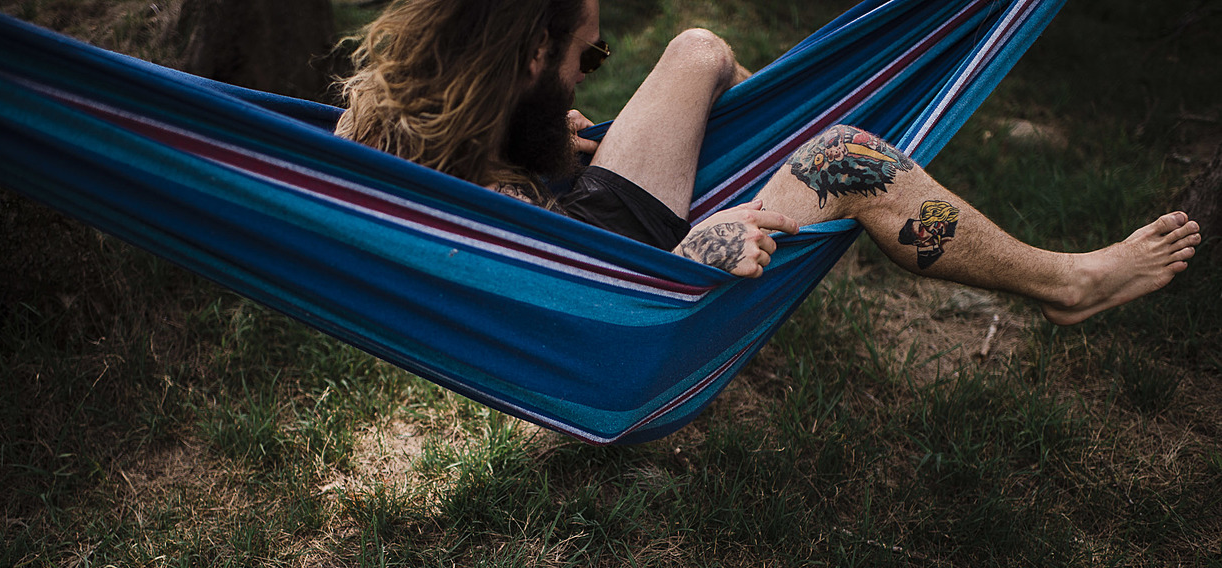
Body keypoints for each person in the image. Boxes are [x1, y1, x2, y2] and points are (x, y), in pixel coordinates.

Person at [335, 0, 1200, 325]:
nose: (586, 76)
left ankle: (778, 167)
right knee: (846, 157)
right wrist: (685, 258)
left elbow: (502, 204)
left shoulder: (400, 127)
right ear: (530, 51)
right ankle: (1065, 285)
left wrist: (543, 149)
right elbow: (530, 299)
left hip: (587, 228)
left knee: (699, 49)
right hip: (614, 292)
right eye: (584, 58)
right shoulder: (396, 173)